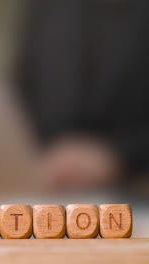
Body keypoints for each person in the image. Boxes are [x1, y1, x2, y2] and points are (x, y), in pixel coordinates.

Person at [15, 0, 149, 191]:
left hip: (135, 190)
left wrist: (119, 156)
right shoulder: (47, 8)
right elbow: (21, 98)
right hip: (48, 188)